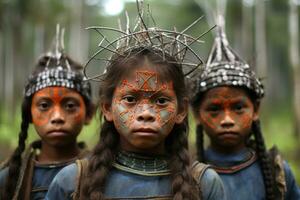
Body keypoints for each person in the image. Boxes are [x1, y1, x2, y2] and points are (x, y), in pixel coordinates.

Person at [45, 3, 225, 200]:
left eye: (161, 101)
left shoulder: (204, 184)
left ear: (181, 110)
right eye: (130, 99)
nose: (146, 113)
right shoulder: (71, 182)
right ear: (107, 108)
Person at [190, 15, 300, 200]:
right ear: (197, 115)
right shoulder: (185, 173)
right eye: (214, 110)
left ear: (255, 110)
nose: (227, 120)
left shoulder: (278, 173)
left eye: (238, 108)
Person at [0, 26, 94, 200]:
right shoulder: (9, 178)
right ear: (29, 114)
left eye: (70, 105)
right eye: (44, 105)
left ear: (89, 113)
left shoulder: (101, 172)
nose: (57, 117)